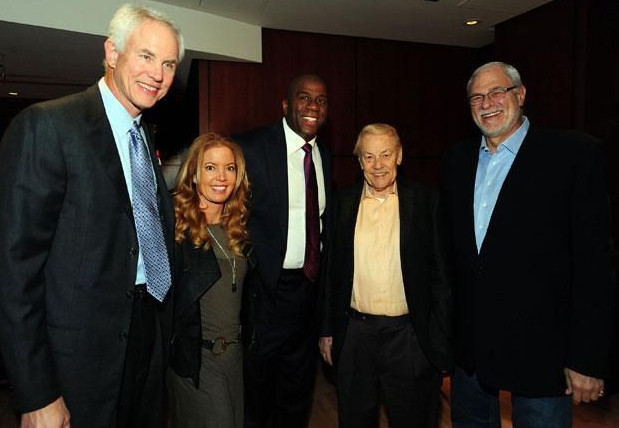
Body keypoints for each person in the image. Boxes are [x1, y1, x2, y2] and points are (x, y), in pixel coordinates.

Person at [0, 4, 183, 427]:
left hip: (146, 341)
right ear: (112, 53)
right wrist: (36, 393)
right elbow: (14, 274)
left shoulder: (143, 138)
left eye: (169, 63)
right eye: (146, 56)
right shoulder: (48, 126)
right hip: (76, 364)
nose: (159, 73)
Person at [440, 61, 616, 427]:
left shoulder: (574, 155)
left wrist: (587, 359)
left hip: (542, 356)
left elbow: (595, 266)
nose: (487, 102)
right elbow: (453, 259)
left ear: (520, 95)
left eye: (496, 92)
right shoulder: (456, 160)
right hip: (470, 356)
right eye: (476, 96)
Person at [319, 123, 452, 428]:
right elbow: (331, 273)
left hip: (408, 336)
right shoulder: (342, 204)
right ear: (359, 161)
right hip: (354, 335)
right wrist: (327, 329)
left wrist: (437, 338)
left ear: (400, 156)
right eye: (368, 157)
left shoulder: (425, 202)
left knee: (413, 419)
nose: (377, 165)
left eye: (385, 154)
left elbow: (441, 277)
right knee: (354, 418)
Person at [234, 74, 333, 427]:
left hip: (306, 294)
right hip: (263, 295)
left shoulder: (325, 156)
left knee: (297, 390)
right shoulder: (251, 148)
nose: (313, 106)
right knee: (257, 395)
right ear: (286, 105)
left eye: (321, 101)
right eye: (304, 98)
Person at [166, 133, 254, 428]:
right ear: (193, 174)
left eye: (229, 168)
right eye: (210, 167)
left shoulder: (238, 228)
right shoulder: (175, 227)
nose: (221, 177)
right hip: (197, 361)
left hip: (234, 359)